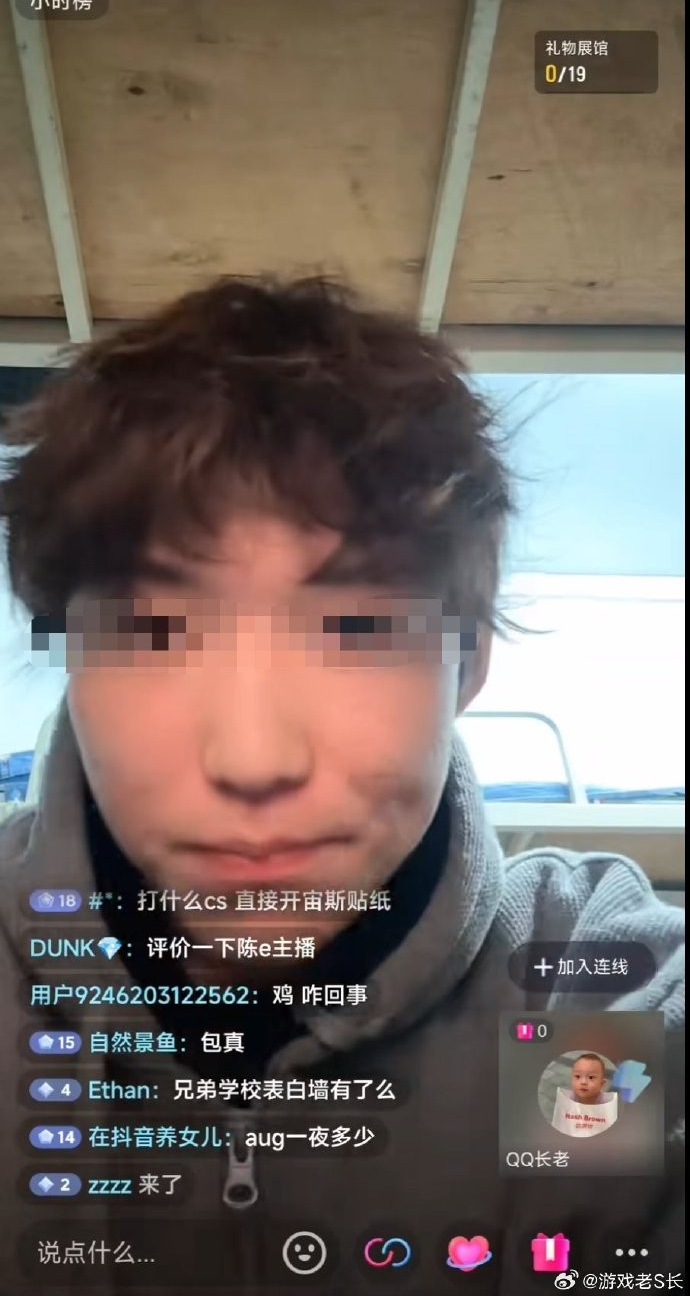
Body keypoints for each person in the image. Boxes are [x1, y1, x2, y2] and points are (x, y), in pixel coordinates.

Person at [0, 276, 684, 1294]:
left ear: (467, 663)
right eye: (150, 633)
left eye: (358, 629)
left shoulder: (597, 992)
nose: (254, 759)